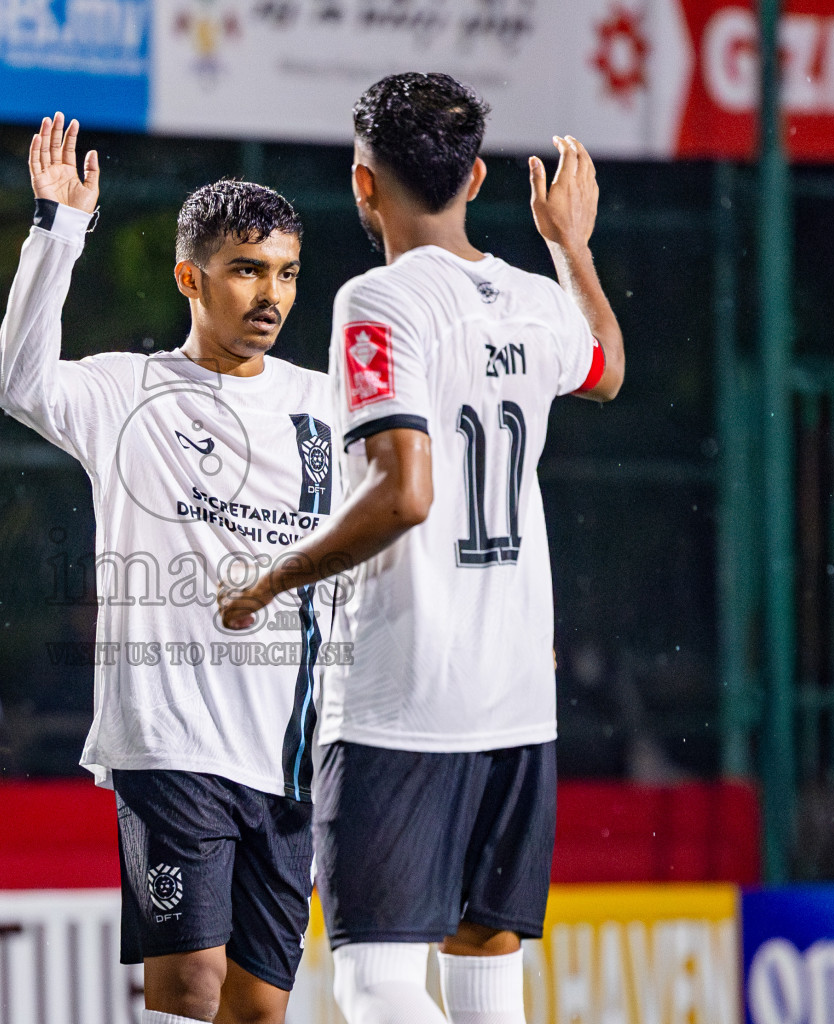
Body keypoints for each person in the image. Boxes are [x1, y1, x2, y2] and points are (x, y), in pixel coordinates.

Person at [218, 73, 625, 1024]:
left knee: (379, 984)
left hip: (403, 700)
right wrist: (572, 244)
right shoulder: (533, 299)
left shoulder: (379, 300)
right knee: (487, 971)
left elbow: (404, 493)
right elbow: (605, 366)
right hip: (518, 696)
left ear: (364, 184)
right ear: (477, 178)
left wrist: (274, 579)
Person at [0, 113, 340, 1024]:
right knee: (188, 990)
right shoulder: (126, 391)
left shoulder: (326, 405)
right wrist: (56, 232)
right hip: (171, 741)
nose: (270, 295)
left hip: (292, 751)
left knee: (259, 1008)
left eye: (286, 273)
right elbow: (19, 383)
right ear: (191, 277)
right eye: (246, 270)